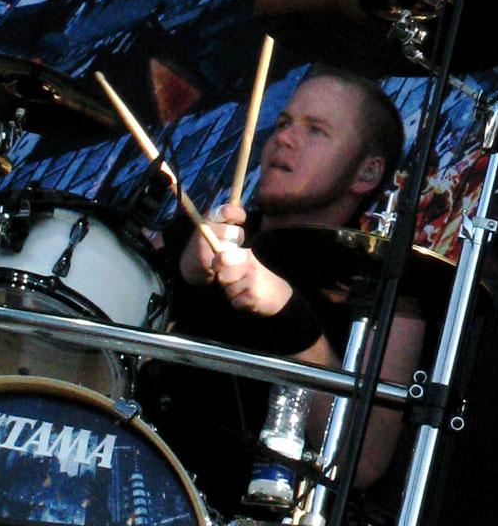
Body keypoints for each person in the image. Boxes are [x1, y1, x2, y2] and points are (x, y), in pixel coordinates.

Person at [138, 71, 427, 519]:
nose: (284, 139)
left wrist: (289, 316)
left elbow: (365, 460)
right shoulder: (199, 235)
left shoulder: (388, 286)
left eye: (316, 130)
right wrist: (176, 271)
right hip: (134, 480)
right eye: (284, 123)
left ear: (367, 171)